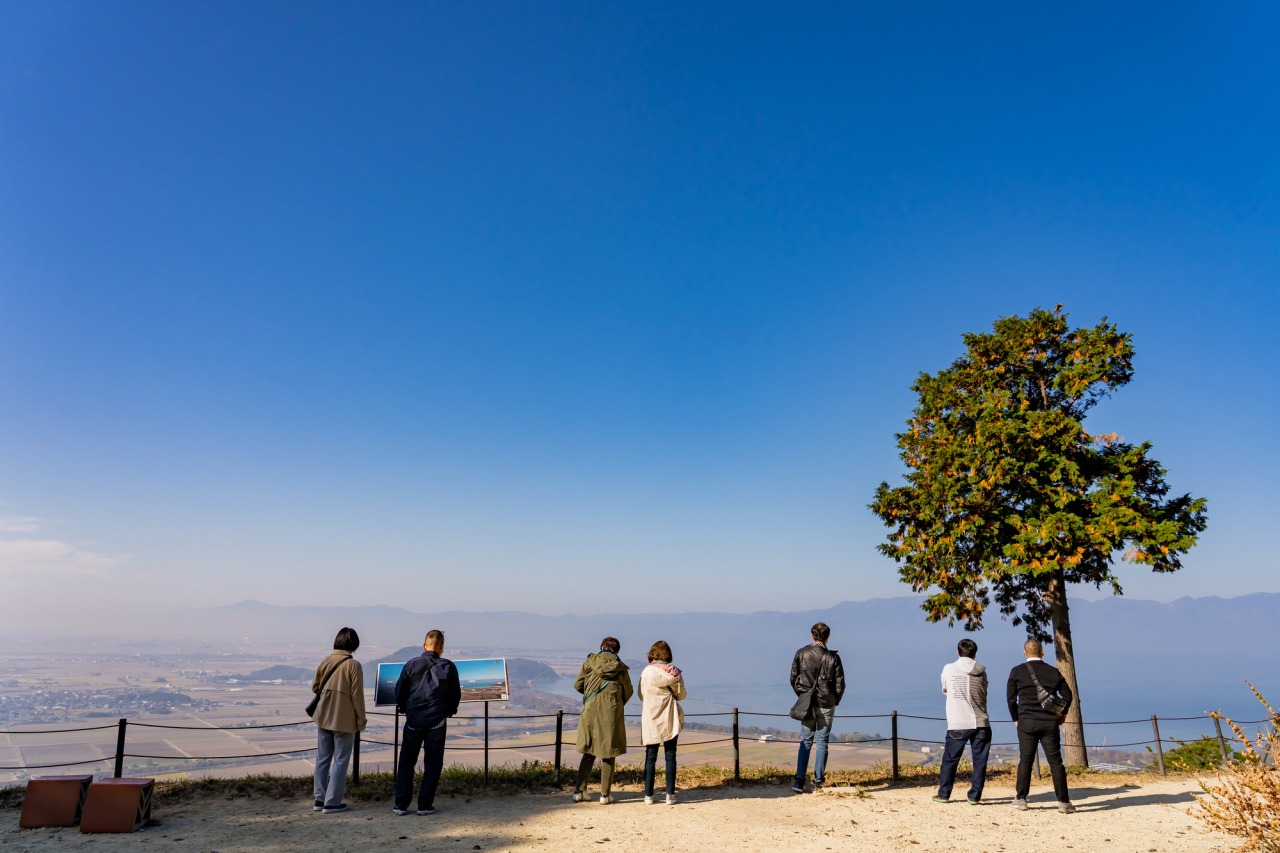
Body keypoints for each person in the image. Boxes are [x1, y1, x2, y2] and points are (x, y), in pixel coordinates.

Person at [393, 629, 461, 816]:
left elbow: (399, 692)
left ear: (424, 646)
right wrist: (448, 712)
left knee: (407, 762)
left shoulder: (411, 664)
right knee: (433, 764)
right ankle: (424, 805)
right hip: (437, 722)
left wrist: (405, 709)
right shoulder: (448, 667)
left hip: (413, 721)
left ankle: (401, 804)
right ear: (441, 646)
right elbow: (454, 695)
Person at [1007, 638, 1075, 814]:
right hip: (1049, 723)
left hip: (1026, 722)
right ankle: (1063, 802)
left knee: (1026, 760)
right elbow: (1068, 695)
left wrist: (1016, 718)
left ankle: (1021, 799)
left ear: (1024, 653)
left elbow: (1011, 699)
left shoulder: (1017, 671)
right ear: (1042, 652)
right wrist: (1061, 713)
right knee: (1056, 762)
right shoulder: (1053, 672)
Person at [311, 626, 367, 814]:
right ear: (354, 644)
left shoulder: (326, 660)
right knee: (341, 760)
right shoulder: (353, 665)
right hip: (344, 719)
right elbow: (357, 697)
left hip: (323, 716)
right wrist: (361, 720)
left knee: (322, 758)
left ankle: (319, 799)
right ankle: (332, 802)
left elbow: (315, 687)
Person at [572, 636, 634, 805]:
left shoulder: (589, 663)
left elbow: (578, 685)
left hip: (590, 710)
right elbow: (628, 692)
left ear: (601, 647)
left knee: (589, 750)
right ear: (617, 651)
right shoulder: (620, 668)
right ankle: (604, 795)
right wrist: (614, 702)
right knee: (608, 752)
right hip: (611, 712)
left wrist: (591, 694)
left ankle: (579, 792)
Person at [933, 638, 991, 805]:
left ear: (958, 652)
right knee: (979, 762)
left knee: (950, 760)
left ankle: (944, 794)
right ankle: (974, 796)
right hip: (981, 722)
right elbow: (984, 691)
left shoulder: (949, 668)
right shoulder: (982, 672)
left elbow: (945, 689)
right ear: (975, 654)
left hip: (958, 722)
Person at [790, 622, 845, 792]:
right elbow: (840, 684)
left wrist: (803, 696)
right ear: (828, 637)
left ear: (812, 635)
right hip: (826, 704)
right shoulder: (833, 657)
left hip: (807, 703)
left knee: (805, 740)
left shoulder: (801, 653)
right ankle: (818, 781)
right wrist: (834, 700)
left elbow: (793, 678)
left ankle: (799, 781)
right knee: (822, 742)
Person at [639, 640, 686, 805]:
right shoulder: (675, 673)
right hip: (669, 716)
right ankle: (670, 795)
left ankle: (648, 795)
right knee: (670, 755)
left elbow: (641, 694)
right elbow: (681, 695)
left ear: (652, 654)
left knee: (650, 756)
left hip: (651, 717)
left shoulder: (646, 672)